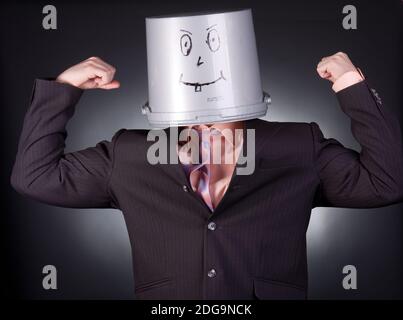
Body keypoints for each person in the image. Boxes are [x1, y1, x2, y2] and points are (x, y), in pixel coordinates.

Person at [10, 51, 403, 299]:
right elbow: (35, 176)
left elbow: (387, 182)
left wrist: (352, 86)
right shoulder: (131, 154)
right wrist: (63, 89)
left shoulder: (299, 146)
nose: (205, 120)